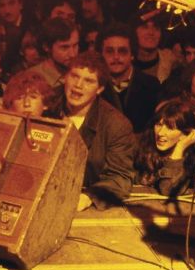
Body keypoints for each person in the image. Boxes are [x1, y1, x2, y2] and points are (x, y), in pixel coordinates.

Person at [50, 51, 135, 211]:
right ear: (65, 77)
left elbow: (120, 178)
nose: (78, 85)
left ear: (100, 89)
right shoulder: (46, 105)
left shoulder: (116, 124)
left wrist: (89, 197)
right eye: (75, 76)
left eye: (88, 81)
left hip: (83, 202)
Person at [134, 101, 195, 196]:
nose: (161, 133)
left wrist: (179, 149)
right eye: (159, 125)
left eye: (170, 128)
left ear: (185, 133)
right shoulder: (142, 145)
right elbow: (167, 190)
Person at [98, 23, 160, 133]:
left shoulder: (151, 86)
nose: (116, 57)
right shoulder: (94, 86)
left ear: (132, 54)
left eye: (122, 51)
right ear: (101, 55)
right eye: (110, 51)